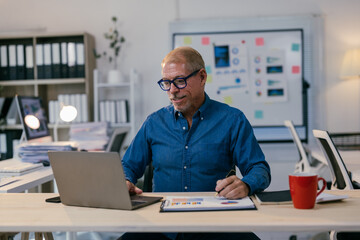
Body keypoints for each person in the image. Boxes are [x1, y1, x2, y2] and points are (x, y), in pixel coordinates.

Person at [120, 46, 271, 240]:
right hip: (162, 228)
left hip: (216, 227)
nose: (172, 90)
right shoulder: (154, 123)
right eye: (166, 83)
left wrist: (246, 184)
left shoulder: (232, 120)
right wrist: (125, 181)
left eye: (180, 81)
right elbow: (128, 165)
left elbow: (260, 169)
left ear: (202, 77)